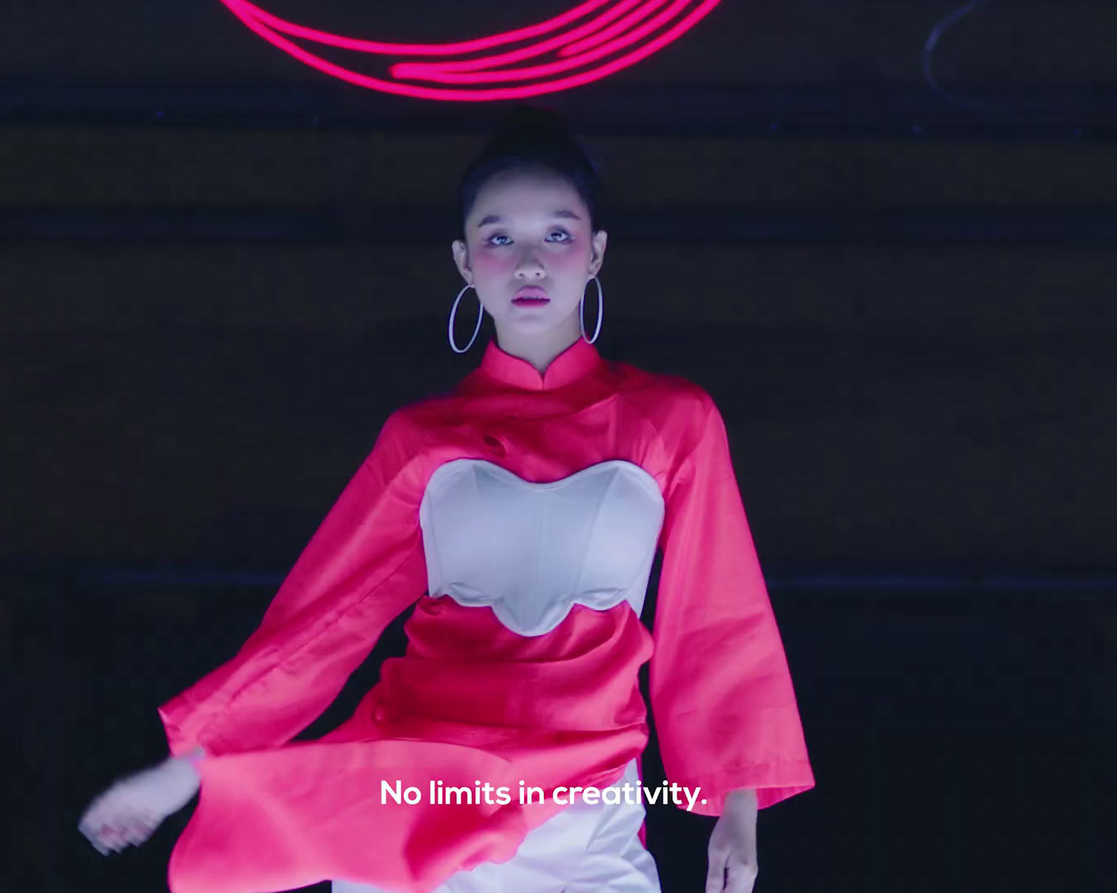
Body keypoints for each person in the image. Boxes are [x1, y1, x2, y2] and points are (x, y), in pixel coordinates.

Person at [78, 105, 815, 893]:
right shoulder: (425, 440)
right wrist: (184, 772)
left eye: (557, 235)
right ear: (465, 261)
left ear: (597, 253)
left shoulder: (672, 422)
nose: (529, 261)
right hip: (421, 803)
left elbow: (719, 617)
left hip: (594, 805)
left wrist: (739, 807)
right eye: (500, 238)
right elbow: (320, 622)